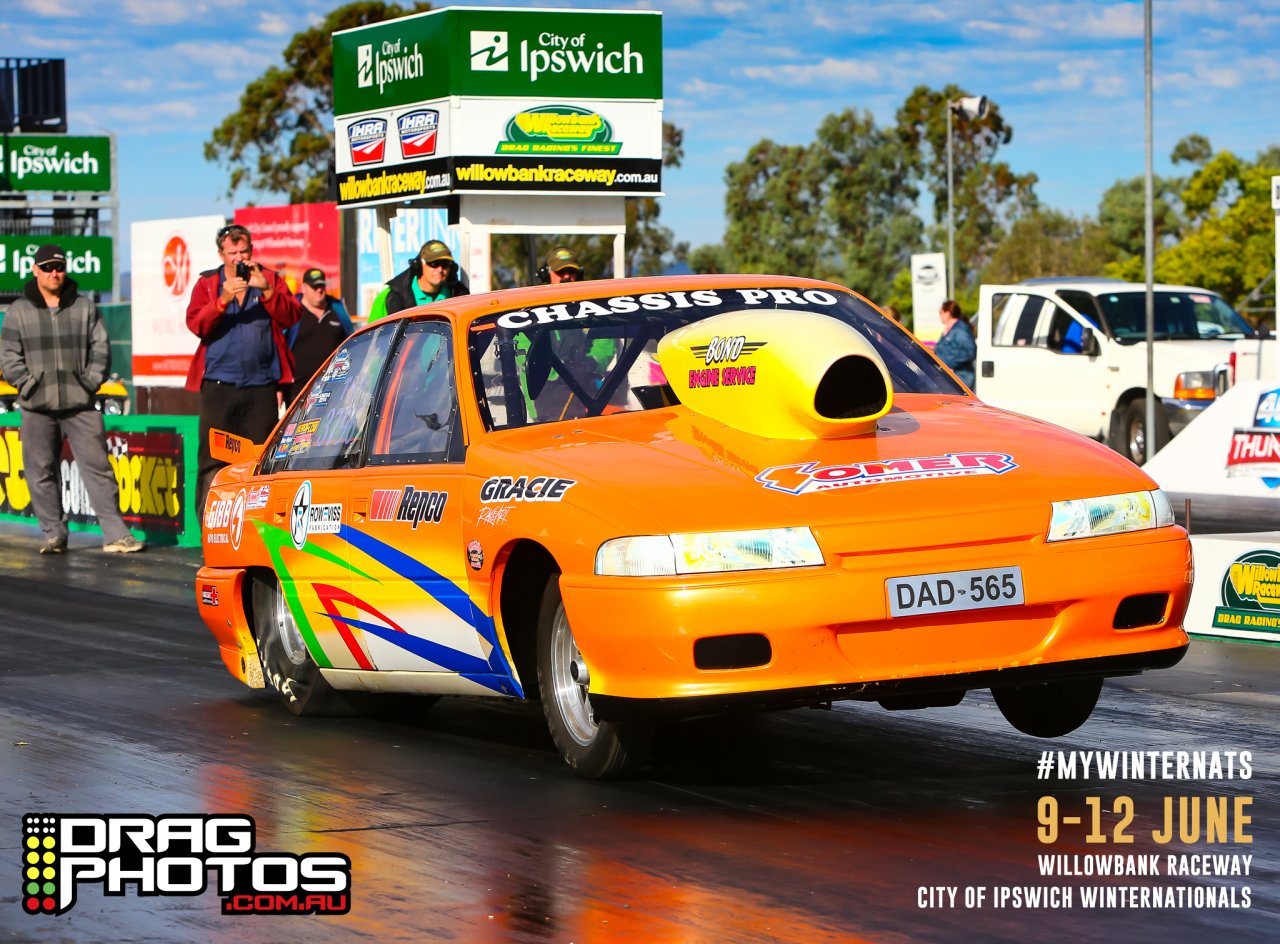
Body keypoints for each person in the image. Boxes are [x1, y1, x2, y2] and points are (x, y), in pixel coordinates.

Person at [0, 244, 146, 554]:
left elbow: (102, 349)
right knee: (40, 471)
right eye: (48, 267)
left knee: (98, 468)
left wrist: (89, 383)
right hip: (36, 407)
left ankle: (116, 534)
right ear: (35, 270)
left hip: (80, 405)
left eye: (60, 267)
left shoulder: (84, 307)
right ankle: (54, 534)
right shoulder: (19, 311)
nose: (55, 273)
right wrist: (27, 385)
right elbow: (8, 356)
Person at [186, 223, 299, 506]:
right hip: (219, 384)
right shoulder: (207, 283)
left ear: (252, 250)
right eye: (232, 252)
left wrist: (268, 291)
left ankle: (256, 527)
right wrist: (222, 300)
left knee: (260, 460)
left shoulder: (268, 277)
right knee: (213, 461)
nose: (238, 257)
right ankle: (208, 527)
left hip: (261, 386)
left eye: (243, 251)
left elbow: (292, 317)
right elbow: (196, 324)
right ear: (221, 254)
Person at [285, 267, 354, 403]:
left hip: (335, 388)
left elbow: (351, 342)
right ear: (304, 288)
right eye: (314, 286)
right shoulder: (292, 311)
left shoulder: (337, 309)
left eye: (321, 285)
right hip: (299, 392)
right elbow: (280, 348)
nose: (319, 290)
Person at [366, 240, 468, 323]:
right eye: (434, 263)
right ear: (419, 264)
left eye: (445, 264)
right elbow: (370, 339)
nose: (440, 269)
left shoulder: (461, 295)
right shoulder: (388, 297)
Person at [934, 298, 976, 389]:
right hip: (950, 376)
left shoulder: (960, 330)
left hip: (961, 377)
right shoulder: (950, 330)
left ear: (948, 313)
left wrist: (949, 364)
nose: (939, 316)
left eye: (940, 312)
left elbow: (969, 352)